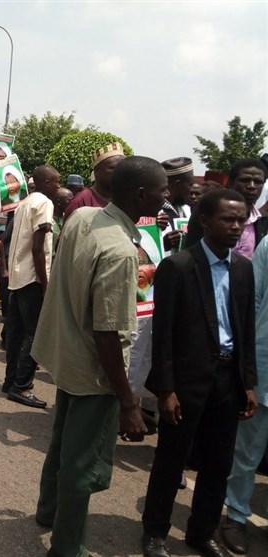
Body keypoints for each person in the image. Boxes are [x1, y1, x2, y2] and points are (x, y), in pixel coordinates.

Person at [31, 156, 168, 557]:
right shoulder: (120, 252)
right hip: (95, 371)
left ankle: (48, 512)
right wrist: (128, 401)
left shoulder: (82, 217)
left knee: (62, 444)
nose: (165, 198)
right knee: (82, 464)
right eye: (161, 191)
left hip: (68, 356)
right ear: (141, 195)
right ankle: (67, 546)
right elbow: (108, 332)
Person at [141, 188, 258, 557]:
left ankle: (201, 533)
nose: (236, 226)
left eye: (240, 219)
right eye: (228, 219)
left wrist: (249, 383)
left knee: (218, 462)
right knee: (171, 459)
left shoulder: (243, 269)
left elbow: (246, 329)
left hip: (227, 380)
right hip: (187, 381)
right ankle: (155, 533)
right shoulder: (178, 267)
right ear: (204, 221)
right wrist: (166, 388)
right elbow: (163, 334)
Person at [221, 235, 268, 555]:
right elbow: (252, 301)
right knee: (247, 451)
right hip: (265, 364)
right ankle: (235, 516)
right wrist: (246, 369)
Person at [3, 165, 60, 408]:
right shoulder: (44, 203)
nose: (58, 186)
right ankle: (22, 386)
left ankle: (10, 381)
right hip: (32, 277)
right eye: (56, 181)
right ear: (46, 183)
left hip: (17, 276)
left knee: (16, 332)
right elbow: (38, 248)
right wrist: (46, 284)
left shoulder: (24, 203)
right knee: (33, 333)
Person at [185, 159, 267, 259]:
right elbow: (192, 251)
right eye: (245, 180)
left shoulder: (262, 221)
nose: (252, 186)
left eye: (258, 182)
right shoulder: (209, 210)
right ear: (231, 182)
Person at [62, 142, 125, 223]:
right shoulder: (80, 202)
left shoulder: (125, 201)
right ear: (97, 171)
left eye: (122, 167)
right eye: (113, 168)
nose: (119, 172)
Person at [156, 157, 193, 254]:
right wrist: (164, 243)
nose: (191, 190)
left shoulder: (187, 210)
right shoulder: (154, 212)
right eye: (190, 184)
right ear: (178, 185)